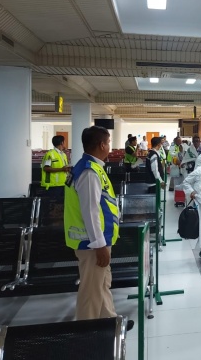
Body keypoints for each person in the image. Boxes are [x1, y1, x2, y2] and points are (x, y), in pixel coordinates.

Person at [64, 126, 133, 330]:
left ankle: (110, 322)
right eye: (109, 142)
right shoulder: (88, 172)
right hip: (91, 243)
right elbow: (90, 211)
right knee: (91, 291)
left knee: (102, 285)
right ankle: (87, 333)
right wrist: (99, 245)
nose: (110, 146)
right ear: (102, 144)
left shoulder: (92, 167)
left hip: (97, 240)